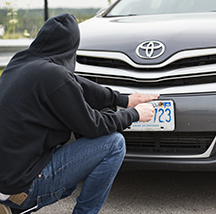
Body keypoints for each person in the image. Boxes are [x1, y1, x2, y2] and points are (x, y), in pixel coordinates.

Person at [0, 13, 159, 214]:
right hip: (21, 187)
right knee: (114, 144)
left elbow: (76, 83)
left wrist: (123, 99)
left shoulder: (20, 62)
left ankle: (10, 206)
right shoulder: (54, 76)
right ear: (72, 46)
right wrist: (133, 114)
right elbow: (93, 126)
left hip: (6, 179)